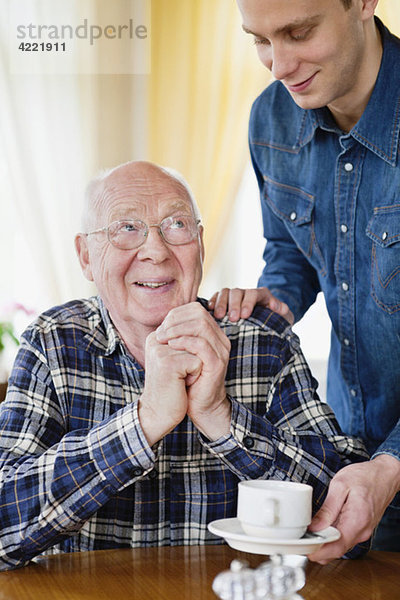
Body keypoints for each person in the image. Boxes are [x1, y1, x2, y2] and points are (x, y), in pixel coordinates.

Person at [0, 160, 368, 571]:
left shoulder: (262, 341)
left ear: (200, 243)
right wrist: (143, 422)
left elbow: (353, 519)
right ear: (86, 256)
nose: (156, 251)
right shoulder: (54, 342)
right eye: (126, 228)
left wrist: (222, 419)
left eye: (176, 224)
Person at [209, 0, 400, 560]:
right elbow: (290, 252)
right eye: (260, 40)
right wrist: (280, 297)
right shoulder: (270, 118)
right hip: (353, 472)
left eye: (298, 32)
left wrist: (391, 465)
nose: (279, 65)